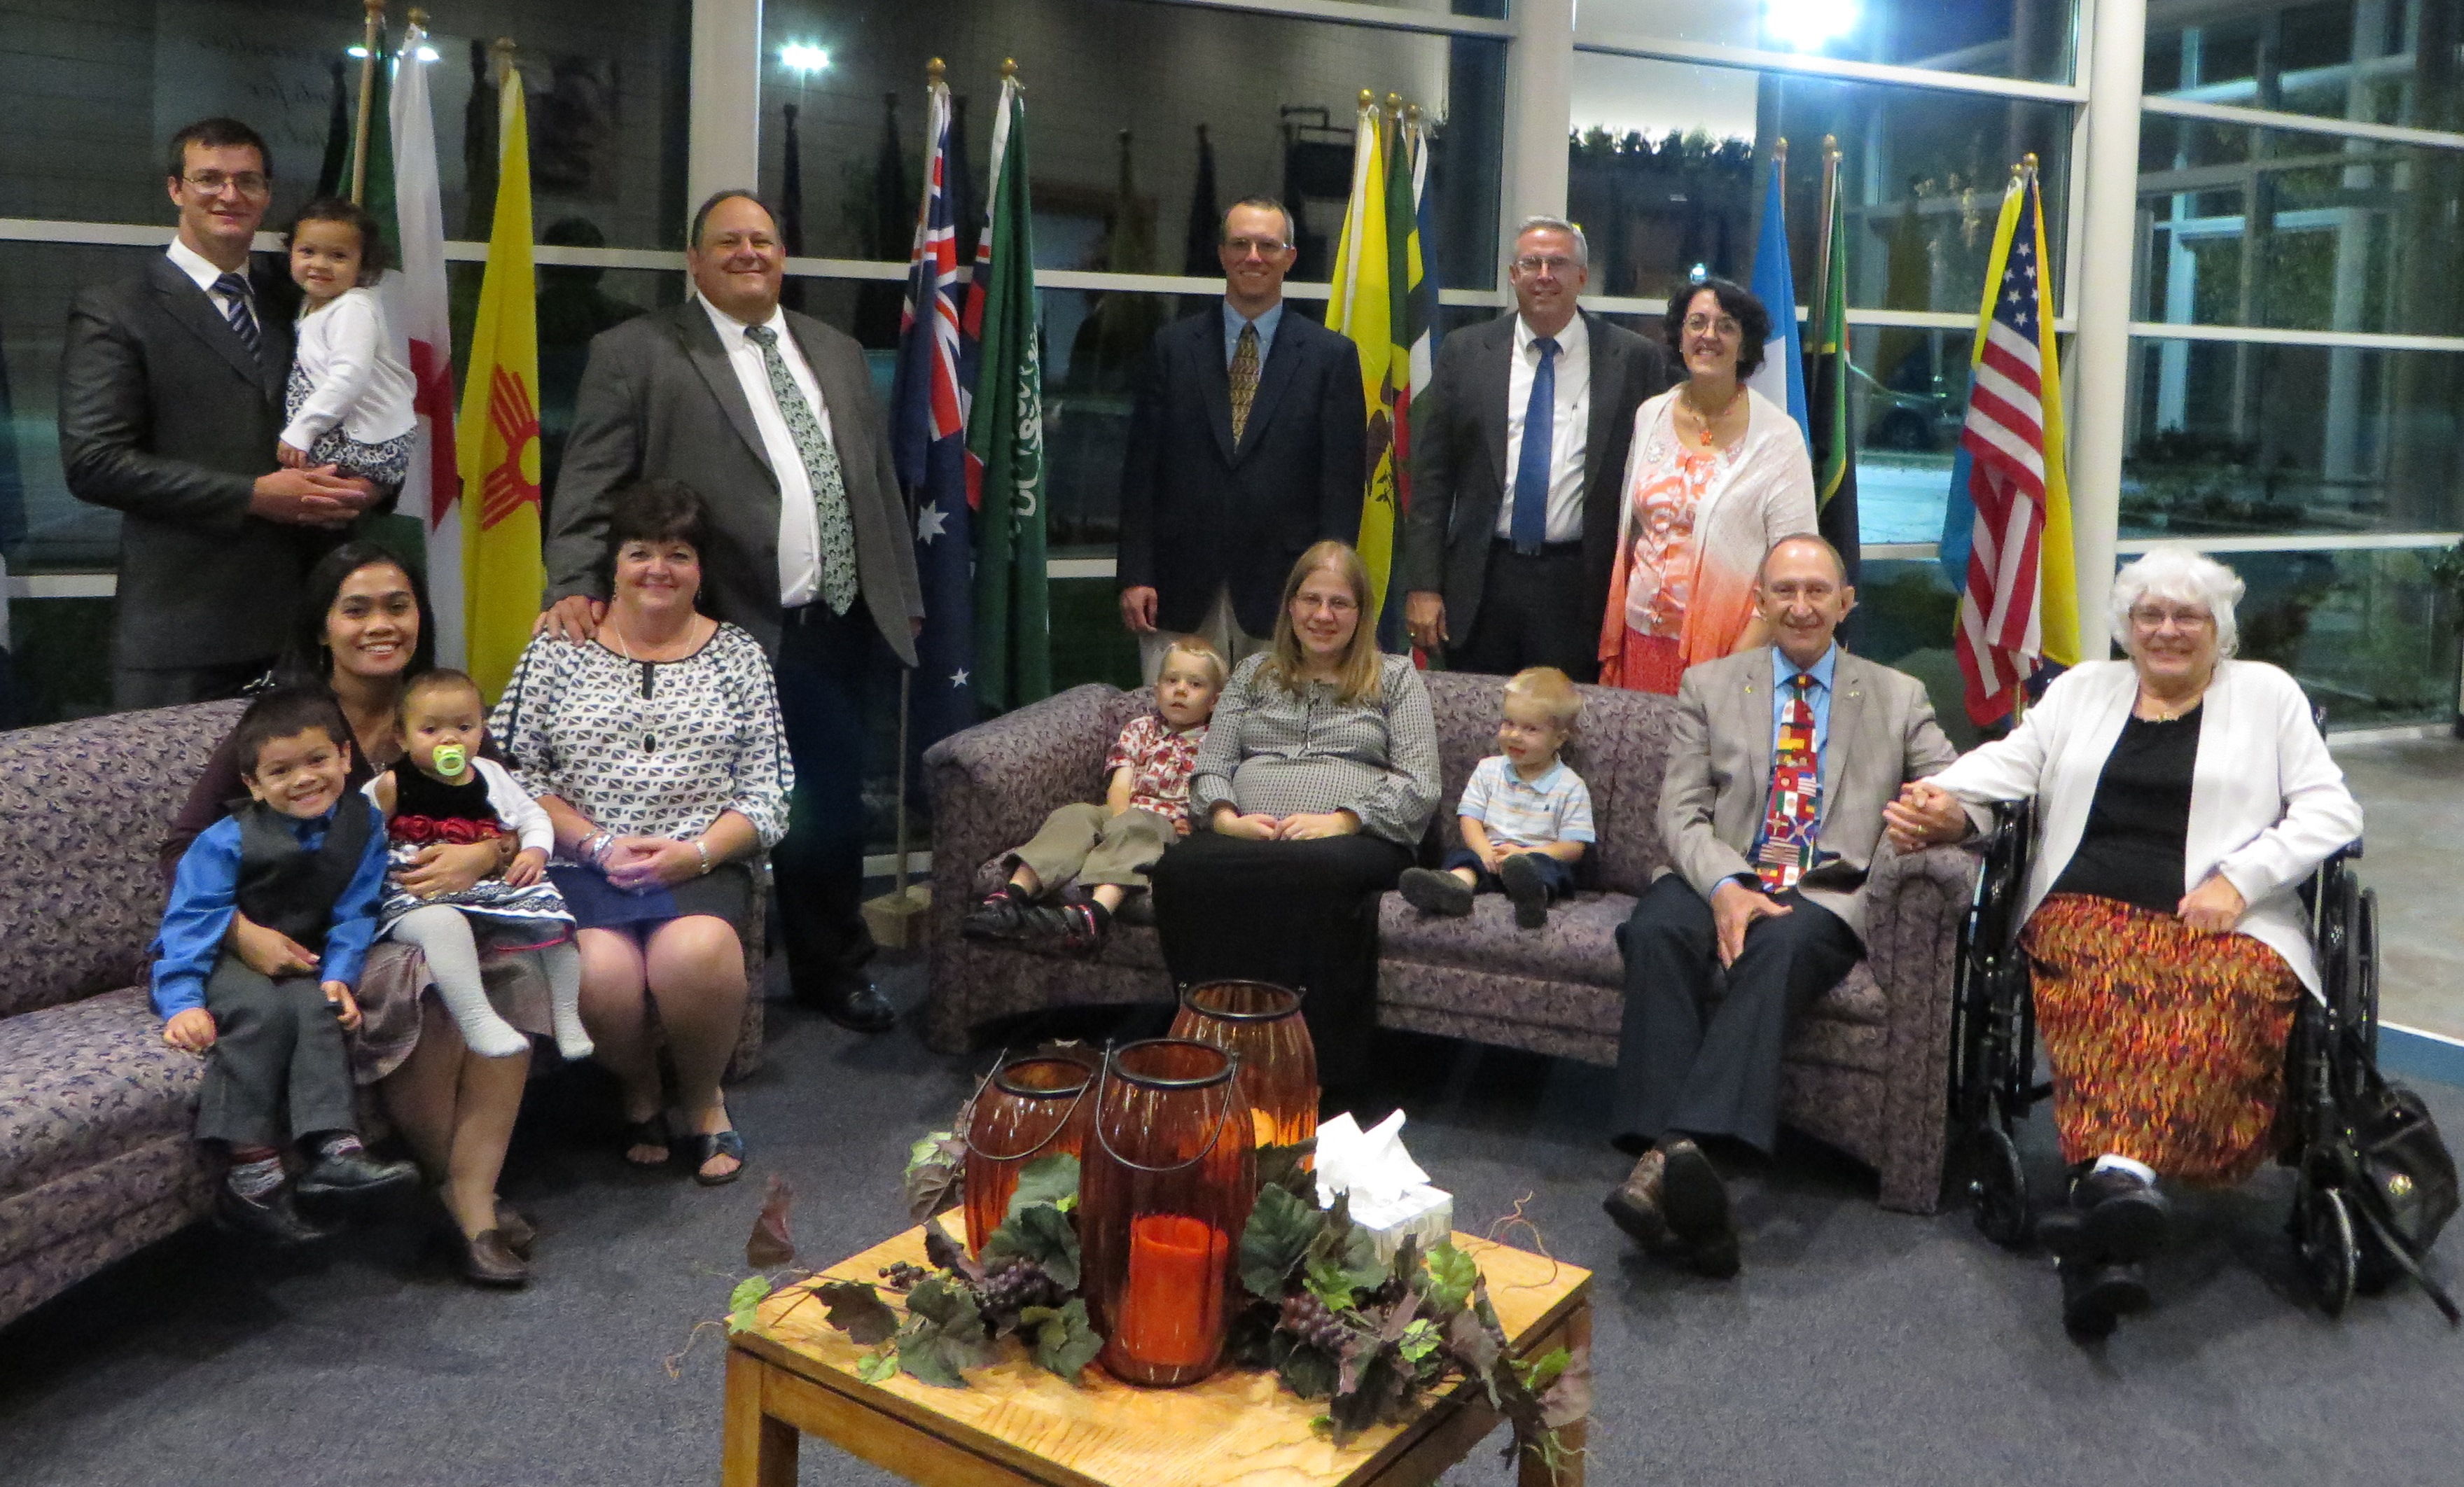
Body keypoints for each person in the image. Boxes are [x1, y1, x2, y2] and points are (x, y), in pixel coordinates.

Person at [1884, 547, 2363, 1339]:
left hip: (2224, 917)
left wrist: (2240, 880)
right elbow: (2012, 762)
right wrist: (1943, 794)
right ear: (2127, 625)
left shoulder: (2267, 696)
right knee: (2114, 985)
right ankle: (2124, 1189)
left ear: (2219, 628)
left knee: (2229, 988)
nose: (2166, 630)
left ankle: (2107, 1202)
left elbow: (2332, 812)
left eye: (2187, 616)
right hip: (2086, 905)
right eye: (2149, 615)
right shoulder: (2083, 690)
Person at [541, 189, 919, 1032]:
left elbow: (874, 485)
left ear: (782, 254)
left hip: (830, 622)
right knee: (701, 807)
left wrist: (902, 593)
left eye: (763, 240)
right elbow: (589, 486)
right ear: (694, 260)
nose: (749, 252)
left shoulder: (836, 349)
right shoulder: (636, 352)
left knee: (826, 808)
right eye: (728, 241)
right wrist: (572, 582)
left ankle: (833, 969)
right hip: (708, 628)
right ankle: (701, 976)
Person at [162, 541, 548, 1287]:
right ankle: (470, 1208)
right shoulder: (288, 725)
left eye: (398, 606)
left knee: (510, 968)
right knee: (427, 985)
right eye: (357, 609)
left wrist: (487, 854)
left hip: (416, 918)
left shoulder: (441, 712)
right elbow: (184, 848)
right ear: (322, 627)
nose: (381, 625)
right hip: (317, 939)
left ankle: (466, 1192)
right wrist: (241, 934)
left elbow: (508, 815)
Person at [1601, 534, 1958, 1279]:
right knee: (1657, 929)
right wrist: (1726, 887)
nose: (1801, 607)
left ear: (1845, 602)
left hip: (1823, 888)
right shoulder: (1709, 685)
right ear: (1759, 602)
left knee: (1777, 948)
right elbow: (1679, 813)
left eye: (1817, 591)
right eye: (1785, 591)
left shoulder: (1897, 696)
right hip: (1720, 867)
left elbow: (1959, 788)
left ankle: (1666, 1161)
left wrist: (1950, 813)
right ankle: (1693, 1185)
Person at [495, 480, 792, 1189]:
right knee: (602, 975)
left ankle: (702, 1096)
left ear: (701, 570)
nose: (658, 569)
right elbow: (510, 773)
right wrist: (592, 843)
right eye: (640, 552)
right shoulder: (557, 647)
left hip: (701, 863)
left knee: (694, 955)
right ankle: (639, 1087)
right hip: (581, 862)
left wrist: (696, 854)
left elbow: (771, 791)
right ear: (614, 564)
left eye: (678, 554)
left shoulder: (739, 655)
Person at [61, 116, 380, 710]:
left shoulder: (306, 296)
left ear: (267, 195)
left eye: (247, 181)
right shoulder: (118, 308)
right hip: (183, 634)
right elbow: (95, 463)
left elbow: (371, 403)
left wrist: (373, 482)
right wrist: (253, 496)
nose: (229, 195)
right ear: (175, 189)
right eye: (209, 179)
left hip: (311, 626)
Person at [1148, 542, 1441, 1089]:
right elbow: (1210, 767)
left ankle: (1311, 1069)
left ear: (1361, 613)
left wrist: (1342, 820)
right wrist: (1225, 817)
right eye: (1311, 599)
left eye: (1339, 603)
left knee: (1313, 873)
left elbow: (1419, 784)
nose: (1322, 615)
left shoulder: (1396, 677)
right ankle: (1211, 1045)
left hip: (1357, 838)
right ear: (1290, 606)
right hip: (1246, 833)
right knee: (1178, 871)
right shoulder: (1252, 673)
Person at [153, 689, 420, 1247]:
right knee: (261, 1011)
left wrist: (339, 976)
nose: (303, 780)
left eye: (317, 760)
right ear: (253, 784)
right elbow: (190, 924)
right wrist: (182, 1003)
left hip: (300, 958)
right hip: (217, 957)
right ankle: (252, 1180)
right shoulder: (224, 841)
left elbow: (356, 912)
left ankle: (334, 1151)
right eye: (280, 771)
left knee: (315, 1006)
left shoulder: (363, 826)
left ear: (344, 758)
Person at [1401, 217, 1673, 681]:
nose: (1544, 275)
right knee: (1476, 713)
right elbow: (1432, 482)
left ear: (1582, 276)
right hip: (1482, 579)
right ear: (1513, 275)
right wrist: (1424, 586)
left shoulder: (1632, 359)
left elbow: (1653, 478)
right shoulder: (1466, 352)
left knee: (1570, 715)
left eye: (1557, 263)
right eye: (1531, 263)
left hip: (1580, 585)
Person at [1117, 197, 1368, 684]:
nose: (1253, 256)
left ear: (1290, 257)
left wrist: (1328, 591)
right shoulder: (1172, 348)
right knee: (1177, 721)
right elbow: (1140, 473)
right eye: (1240, 244)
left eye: (1268, 246)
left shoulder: (1330, 358)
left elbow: (1340, 486)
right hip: (1178, 584)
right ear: (1222, 254)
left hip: (1288, 592)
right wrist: (1135, 573)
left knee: (1279, 725)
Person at [1595, 277, 1818, 694]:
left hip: (1730, 653)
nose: (1709, 335)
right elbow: (1634, 531)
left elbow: (1795, 567)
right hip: (1639, 640)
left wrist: (1734, 669)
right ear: (1680, 337)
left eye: (1726, 326)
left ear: (1746, 346)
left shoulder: (1778, 437)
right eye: (1697, 323)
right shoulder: (1650, 415)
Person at [365, 669, 588, 1062]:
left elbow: (533, 817)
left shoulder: (491, 774)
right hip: (419, 889)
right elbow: (357, 835)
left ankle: (567, 1016)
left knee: (554, 917)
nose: (449, 739)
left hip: (488, 882)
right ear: (402, 736)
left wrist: (535, 852)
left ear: (482, 730)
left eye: (464, 727)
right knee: (443, 926)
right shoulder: (390, 784)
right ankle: (477, 1018)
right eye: (430, 730)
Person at [964, 637, 1225, 953]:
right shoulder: (1140, 729)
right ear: (1157, 690)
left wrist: (1195, 824)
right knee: (1074, 814)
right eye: (1172, 681)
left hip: (1166, 824)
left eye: (1195, 684)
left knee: (1137, 828)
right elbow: (1121, 784)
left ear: (1215, 701)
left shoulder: (1216, 741)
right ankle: (1009, 899)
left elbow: (1212, 792)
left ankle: (1093, 916)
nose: (1180, 690)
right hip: (1121, 809)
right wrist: (1118, 817)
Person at [1397, 666, 1593, 930]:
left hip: (1535, 857)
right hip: (1491, 855)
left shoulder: (1570, 786)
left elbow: (1573, 848)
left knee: (1550, 869)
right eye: (1509, 723)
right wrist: (1484, 851)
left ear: (1559, 738)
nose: (1514, 735)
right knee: (1465, 859)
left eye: (1530, 729)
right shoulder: (1488, 770)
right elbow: (1470, 818)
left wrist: (1525, 853)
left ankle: (1534, 898)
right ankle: (1455, 889)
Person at [275, 197, 417, 486]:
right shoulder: (312, 303)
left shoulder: (353, 308)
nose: (320, 264)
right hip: (338, 430)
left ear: (363, 264)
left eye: (338, 256)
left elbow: (349, 377)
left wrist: (302, 430)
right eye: (308, 251)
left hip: (370, 439)